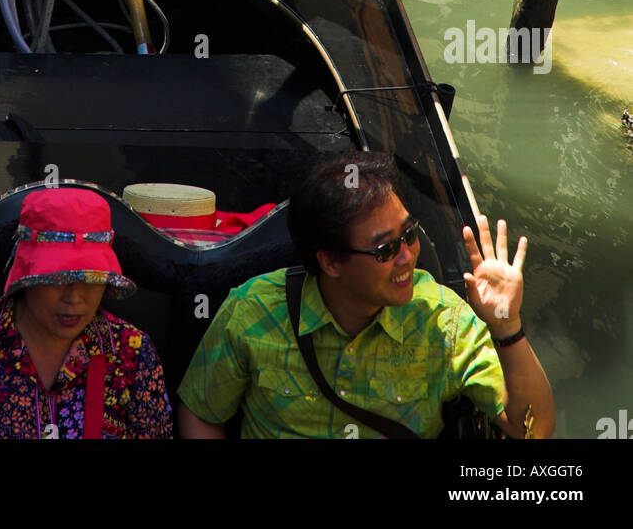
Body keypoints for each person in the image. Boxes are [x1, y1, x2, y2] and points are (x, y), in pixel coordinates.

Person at [176, 152, 554, 439]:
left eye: (409, 235)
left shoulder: (444, 321)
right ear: (331, 262)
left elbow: (532, 431)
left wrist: (507, 324)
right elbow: (203, 411)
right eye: (385, 250)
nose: (407, 256)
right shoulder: (253, 311)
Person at [0, 187, 172, 438]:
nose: (74, 298)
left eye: (91, 279)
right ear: (28, 277)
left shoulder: (132, 350)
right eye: (56, 279)